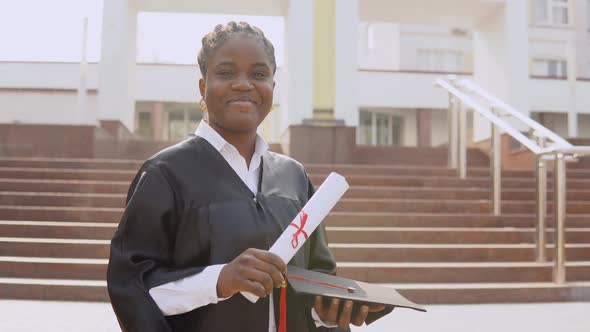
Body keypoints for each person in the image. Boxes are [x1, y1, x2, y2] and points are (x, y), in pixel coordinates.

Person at [107, 21, 384, 332]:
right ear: (203, 87)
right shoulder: (166, 173)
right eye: (226, 73)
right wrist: (219, 281)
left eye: (259, 74)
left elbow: (317, 280)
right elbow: (132, 288)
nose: (244, 84)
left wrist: (328, 314)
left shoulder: (292, 176)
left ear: (272, 88)